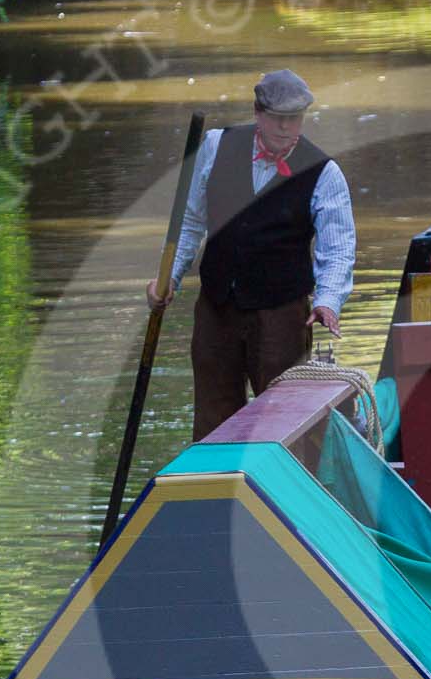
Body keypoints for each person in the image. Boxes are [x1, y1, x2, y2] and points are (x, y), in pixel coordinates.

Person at [145, 69, 356, 439]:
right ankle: (214, 489)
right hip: (216, 306)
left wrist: (328, 301)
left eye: (295, 119)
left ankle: (286, 492)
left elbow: (337, 249)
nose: (287, 128)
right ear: (258, 113)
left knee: (286, 426)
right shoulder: (215, 145)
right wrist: (169, 279)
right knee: (212, 419)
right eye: (278, 118)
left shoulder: (325, 172)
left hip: (281, 314)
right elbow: (191, 220)